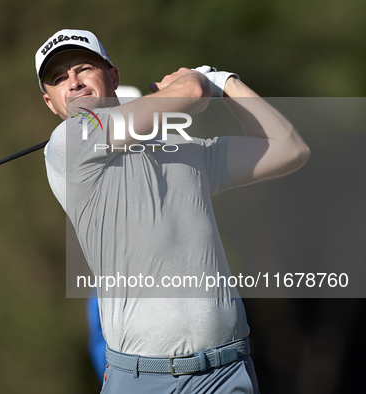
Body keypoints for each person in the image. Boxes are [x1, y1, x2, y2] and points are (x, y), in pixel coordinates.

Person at [35, 29, 310, 393]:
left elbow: (289, 148)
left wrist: (223, 80)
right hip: (142, 379)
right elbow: (191, 93)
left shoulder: (183, 147)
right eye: (58, 79)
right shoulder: (67, 142)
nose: (73, 83)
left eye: (84, 68)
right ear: (51, 103)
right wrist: (197, 80)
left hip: (226, 373)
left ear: (113, 77)